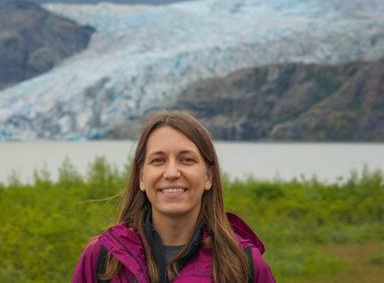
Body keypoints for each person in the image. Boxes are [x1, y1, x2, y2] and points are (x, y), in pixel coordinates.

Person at [72, 111, 276, 283]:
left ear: (208, 177)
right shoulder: (102, 257)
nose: (171, 173)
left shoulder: (245, 265)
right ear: (141, 177)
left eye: (187, 160)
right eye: (158, 160)